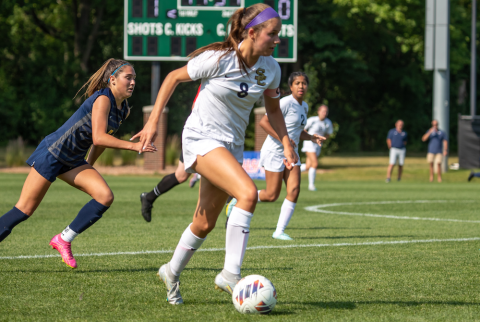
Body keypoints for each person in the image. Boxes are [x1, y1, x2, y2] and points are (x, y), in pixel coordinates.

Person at [131, 4, 297, 305]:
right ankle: (231, 274)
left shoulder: (271, 69)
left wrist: (286, 143)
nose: (277, 41)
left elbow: (273, 110)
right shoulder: (219, 59)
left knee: (205, 222)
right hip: (201, 138)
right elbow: (171, 78)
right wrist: (153, 121)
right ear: (252, 32)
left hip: (229, 147)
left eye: (278, 35)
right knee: (247, 193)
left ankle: (170, 271)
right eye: (272, 34)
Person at [0, 59, 155, 268]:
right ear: (112, 80)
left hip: (73, 160)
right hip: (53, 153)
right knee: (24, 210)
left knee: (104, 196)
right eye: (128, 77)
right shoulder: (103, 99)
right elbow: (99, 137)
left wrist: (89, 164)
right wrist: (134, 146)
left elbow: (100, 141)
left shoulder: (123, 109)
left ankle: (63, 239)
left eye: (134, 78)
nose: (133, 82)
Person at [226, 72, 324, 241]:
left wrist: (311, 137)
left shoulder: (304, 107)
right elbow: (264, 122)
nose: (301, 86)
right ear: (291, 87)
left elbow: (297, 132)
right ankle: (238, 199)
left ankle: (279, 231)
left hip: (292, 155)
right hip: (274, 152)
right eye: (297, 83)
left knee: (294, 190)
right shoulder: (285, 102)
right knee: (271, 195)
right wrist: (284, 141)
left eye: (304, 83)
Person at [140, 87, 203, 222]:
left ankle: (149, 197)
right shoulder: (214, 78)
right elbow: (195, 106)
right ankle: (228, 216)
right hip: (200, 135)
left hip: (210, 135)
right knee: (184, 176)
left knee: (180, 176)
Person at [300, 105, 333, 191]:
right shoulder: (312, 120)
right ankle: (311, 186)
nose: (324, 113)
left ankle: (288, 172)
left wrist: (322, 139)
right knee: (315, 164)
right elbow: (302, 129)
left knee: (308, 166)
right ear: (318, 111)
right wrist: (310, 137)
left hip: (317, 145)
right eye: (323, 111)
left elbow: (328, 134)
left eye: (326, 112)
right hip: (309, 143)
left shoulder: (328, 122)